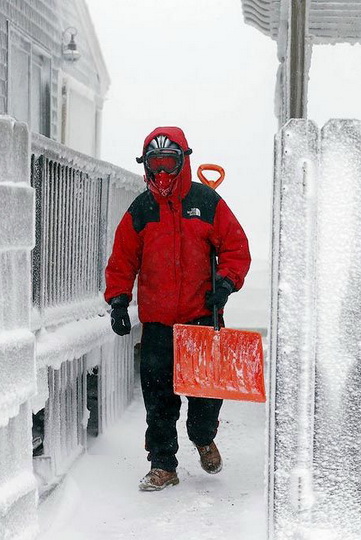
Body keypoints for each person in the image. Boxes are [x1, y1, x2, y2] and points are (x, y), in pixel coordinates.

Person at [104, 126, 251, 491]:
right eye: (156, 164)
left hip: (200, 318)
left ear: (183, 160)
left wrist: (226, 282)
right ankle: (163, 465)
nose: (163, 173)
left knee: (204, 395)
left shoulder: (207, 203)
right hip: (157, 324)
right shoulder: (141, 209)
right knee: (158, 398)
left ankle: (203, 438)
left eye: (170, 163)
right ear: (147, 166)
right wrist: (118, 299)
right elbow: (123, 258)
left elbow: (235, 247)